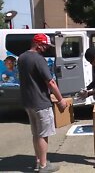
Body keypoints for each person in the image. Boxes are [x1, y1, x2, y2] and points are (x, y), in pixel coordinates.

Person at [18, 33, 68, 173]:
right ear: (38, 44)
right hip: (41, 102)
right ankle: (44, 166)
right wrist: (61, 100)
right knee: (43, 134)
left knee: (36, 133)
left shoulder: (22, 57)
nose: (46, 48)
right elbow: (50, 82)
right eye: (45, 45)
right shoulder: (39, 59)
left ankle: (39, 161)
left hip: (28, 102)